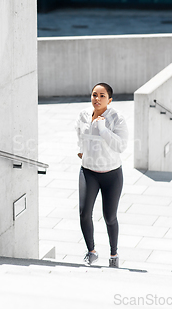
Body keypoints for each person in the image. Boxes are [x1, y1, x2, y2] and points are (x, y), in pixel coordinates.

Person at [75, 82, 129, 268]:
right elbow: (80, 136)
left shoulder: (117, 118)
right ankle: (91, 252)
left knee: (109, 217)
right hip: (88, 171)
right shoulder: (83, 115)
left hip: (111, 174)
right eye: (94, 95)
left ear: (110, 99)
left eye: (102, 96)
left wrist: (104, 129)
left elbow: (121, 146)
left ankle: (114, 255)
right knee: (84, 213)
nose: (97, 99)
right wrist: (82, 150)